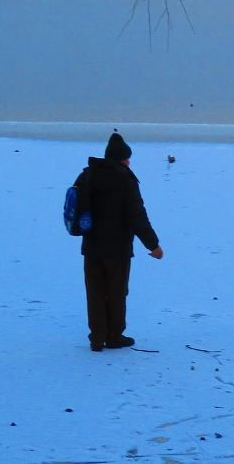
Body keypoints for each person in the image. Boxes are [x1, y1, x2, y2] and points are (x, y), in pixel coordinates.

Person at [77, 132, 163, 352]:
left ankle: (97, 338)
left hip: (92, 246)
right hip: (117, 248)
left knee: (95, 292)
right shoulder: (125, 180)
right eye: (127, 158)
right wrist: (153, 245)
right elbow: (137, 216)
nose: (129, 162)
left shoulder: (87, 175)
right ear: (121, 158)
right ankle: (114, 336)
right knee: (116, 292)